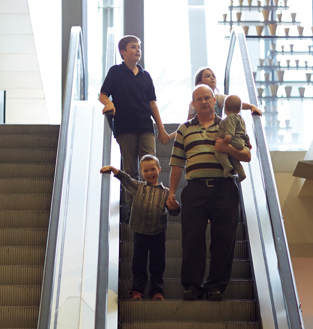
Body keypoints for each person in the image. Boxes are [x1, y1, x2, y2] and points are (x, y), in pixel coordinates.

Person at [169, 85, 252, 301]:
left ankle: (215, 286)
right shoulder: (184, 129)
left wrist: (229, 150)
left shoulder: (230, 123)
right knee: (192, 239)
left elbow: (246, 155)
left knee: (224, 240)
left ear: (215, 100)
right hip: (194, 191)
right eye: (199, 99)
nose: (204, 102)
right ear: (193, 103)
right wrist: (171, 193)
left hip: (224, 188)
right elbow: (177, 164)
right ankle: (192, 286)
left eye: (208, 98)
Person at [98, 35, 171, 211]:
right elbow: (102, 94)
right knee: (130, 169)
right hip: (125, 128)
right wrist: (109, 103)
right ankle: (133, 208)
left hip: (146, 127)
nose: (138, 49)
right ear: (123, 52)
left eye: (139, 46)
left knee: (151, 165)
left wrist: (161, 129)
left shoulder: (146, 76)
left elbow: (152, 103)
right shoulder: (115, 72)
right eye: (133, 47)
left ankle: (154, 205)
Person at [101, 154, 179, 301]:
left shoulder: (166, 192)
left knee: (158, 263)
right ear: (141, 172)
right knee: (139, 262)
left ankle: (157, 291)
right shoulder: (138, 187)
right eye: (146, 170)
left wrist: (175, 207)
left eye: (153, 169)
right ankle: (138, 290)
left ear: (159, 169)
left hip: (158, 233)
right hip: (140, 232)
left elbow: (174, 211)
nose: (150, 173)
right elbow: (126, 179)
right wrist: (113, 169)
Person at [187, 66, 262, 118]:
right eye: (208, 76)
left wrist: (251, 107)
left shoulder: (219, 98)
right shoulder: (193, 104)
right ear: (199, 83)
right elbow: (189, 122)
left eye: (213, 76)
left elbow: (235, 103)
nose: (212, 78)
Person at [214, 95, 248, 182]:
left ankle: (227, 167)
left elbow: (230, 128)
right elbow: (244, 132)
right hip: (240, 142)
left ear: (225, 109)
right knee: (233, 158)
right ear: (240, 110)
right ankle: (241, 173)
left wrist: (228, 137)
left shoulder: (230, 117)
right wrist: (246, 141)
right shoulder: (241, 119)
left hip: (233, 140)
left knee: (218, 152)